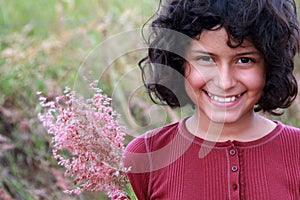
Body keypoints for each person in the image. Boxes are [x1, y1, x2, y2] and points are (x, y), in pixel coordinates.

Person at [124, 0, 300, 199]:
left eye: (244, 60)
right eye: (206, 59)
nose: (225, 82)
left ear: (270, 66)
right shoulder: (145, 156)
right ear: (179, 64)